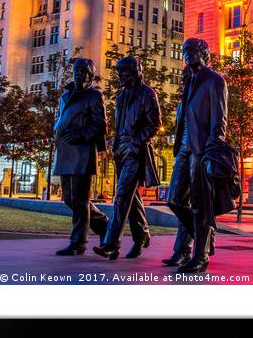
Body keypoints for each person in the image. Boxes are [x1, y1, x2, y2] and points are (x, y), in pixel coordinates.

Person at [163, 38, 228, 273]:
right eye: (185, 51)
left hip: (201, 149)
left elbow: (219, 120)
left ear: (204, 53)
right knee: (174, 199)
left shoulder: (214, 81)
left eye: (192, 50)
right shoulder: (189, 81)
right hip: (183, 148)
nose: (188, 54)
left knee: (200, 204)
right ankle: (203, 239)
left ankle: (199, 256)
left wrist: (212, 149)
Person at [93, 56, 161, 260]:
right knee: (132, 198)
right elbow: (119, 124)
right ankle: (142, 236)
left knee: (122, 195)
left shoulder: (148, 94)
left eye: (124, 73)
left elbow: (154, 124)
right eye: (119, 73)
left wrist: (136, 142)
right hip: (121, 150)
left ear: (136, 72)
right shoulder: (122, 96)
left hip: (136, 151)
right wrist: (115, 145)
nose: (121, 77)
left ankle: (111, 244)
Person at [52, 58, 109, 256]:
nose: (78, 73)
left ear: (91, 74)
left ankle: (78, 243)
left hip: (82, 153)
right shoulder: (65, 95)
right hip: (65, 151)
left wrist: (80, 135)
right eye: (76, 70)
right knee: (68, 198)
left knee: (80, 200)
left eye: (84, 71)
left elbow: (100, 125)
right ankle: (103, 224)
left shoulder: (94, 96)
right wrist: (56, 130)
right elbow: (59, 117)